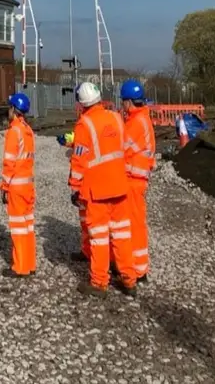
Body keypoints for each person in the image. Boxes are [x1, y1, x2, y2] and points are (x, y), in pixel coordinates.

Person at [69, 82, 138, 297]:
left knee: (98, 237)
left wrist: (75, 186)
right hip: (119, 186)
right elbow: (124, 149)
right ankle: (129, 279)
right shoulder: (116, 118)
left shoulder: (84, 125)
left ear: (81, 104)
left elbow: (79, 159)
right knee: (122, 235)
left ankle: (99, 282)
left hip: (97, 190)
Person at [120, 79, 155, 282]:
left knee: (132, 225)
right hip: (138, 178)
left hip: (133, 179)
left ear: (129, 102)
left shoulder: (135, 123)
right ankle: (138, 267)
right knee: (137, 224)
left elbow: (121, 149)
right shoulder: (143, 119)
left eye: (124, 102)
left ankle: (135, 269)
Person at [0, 93, 36, 277]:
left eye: (9, 107)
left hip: (16, 186)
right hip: (28, 185)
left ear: (14, 110)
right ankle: (29, 264)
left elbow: (9, 162)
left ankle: (20, 267)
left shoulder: (14, 132)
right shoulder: (28, 131)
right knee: (28, 226)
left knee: (18, 228)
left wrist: (4, 187)